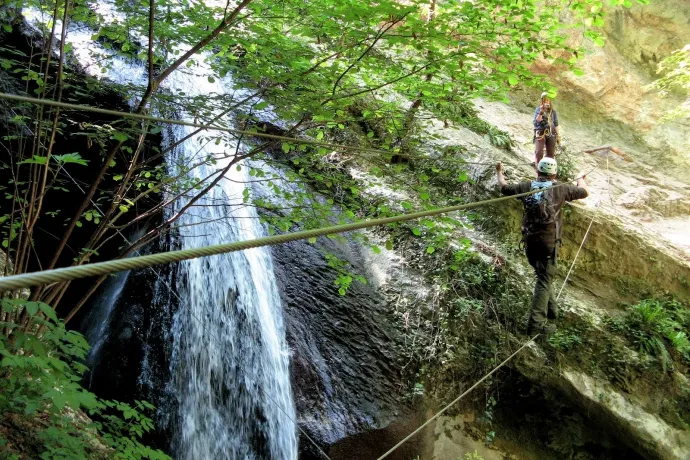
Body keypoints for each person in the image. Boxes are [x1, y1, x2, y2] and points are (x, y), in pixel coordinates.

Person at [496, 157, 588, 335]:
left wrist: (499, 171)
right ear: (555, 174)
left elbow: (503, 187)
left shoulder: (526, 187)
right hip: (548, 243)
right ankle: (536, 326)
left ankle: (552, 313)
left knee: (544, 275)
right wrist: (580, 178)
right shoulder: (561, 188)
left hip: (530, 242)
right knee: (544, 279)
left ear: (537, 172)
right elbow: (584, 192)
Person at [533, 92, 561, 165]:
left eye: (548, 101)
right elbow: (537, 120)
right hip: (541, 133)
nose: (547, 103)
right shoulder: (538, 109)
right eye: (545, 101)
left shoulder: (553, 112)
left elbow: (556, 124)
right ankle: (538, 168)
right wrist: (541, 113)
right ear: (542, 102)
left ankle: (547, 170)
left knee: (551, 154)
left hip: (551, 134)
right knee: (539, 151)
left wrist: (558, 136)